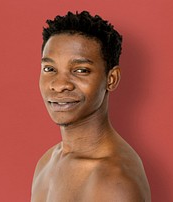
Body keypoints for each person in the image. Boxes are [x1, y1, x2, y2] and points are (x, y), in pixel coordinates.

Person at [31, 11, 151, 202]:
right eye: (49, 69)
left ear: (111, 79)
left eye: (80, 70)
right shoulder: (47, 161)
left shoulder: (114, 180)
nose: (60, 84)